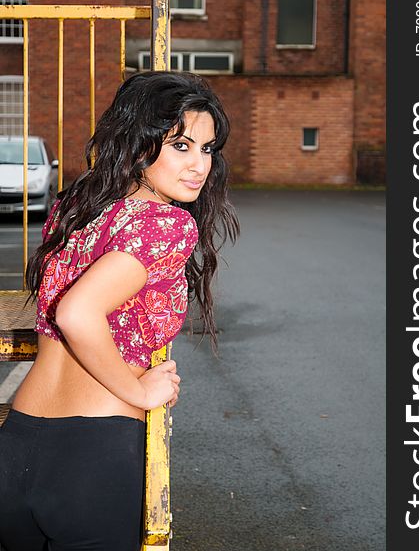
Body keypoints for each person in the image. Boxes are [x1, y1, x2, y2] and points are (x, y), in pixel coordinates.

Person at [0, 70, 240, 551]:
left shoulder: (76, 207)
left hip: (16, 445)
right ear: (138, 144)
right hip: (93, 458)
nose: (199, 166)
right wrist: (138, 388)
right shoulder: (166, 224)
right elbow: (77, 313)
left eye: (207, 149)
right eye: (181, 146)